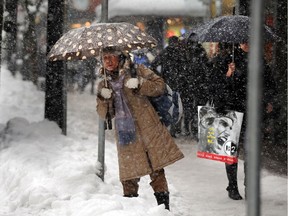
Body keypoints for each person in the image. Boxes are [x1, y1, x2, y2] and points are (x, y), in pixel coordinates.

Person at [96, 47, 184, 210]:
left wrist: (140, 84)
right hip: (126, 134)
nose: (108, 61)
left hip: (148, 128)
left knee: (156, 169)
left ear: (120, 57)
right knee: (129, 176)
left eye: (111, 57)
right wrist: (104, 98)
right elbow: (104, 115)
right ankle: (131, 209)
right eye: (104, 58)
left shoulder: (137, 70)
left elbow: (160, 86)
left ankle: (164, 209)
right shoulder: (104, 84)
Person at [208, 42, 277, 200]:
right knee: (231, 149)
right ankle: (232, 186)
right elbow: (217, 87)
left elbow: (269, 85)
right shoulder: (228, 59)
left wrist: (267, 100)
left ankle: (249, 185)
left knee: (251, 150)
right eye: (243, 41)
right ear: (238, 43)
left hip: (252, 111)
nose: (247, 44)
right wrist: (228, 74)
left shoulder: (259, 61)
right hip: (232, 111)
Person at [150, 36, 184, 137]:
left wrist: (159, 76)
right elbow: (186, 68)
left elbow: (153, 65)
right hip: (179, 83)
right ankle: (176, 128)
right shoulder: (180, 53)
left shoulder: (165, 53)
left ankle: (169, 126)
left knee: (169, 105)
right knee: (178, 105)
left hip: (168, 83)